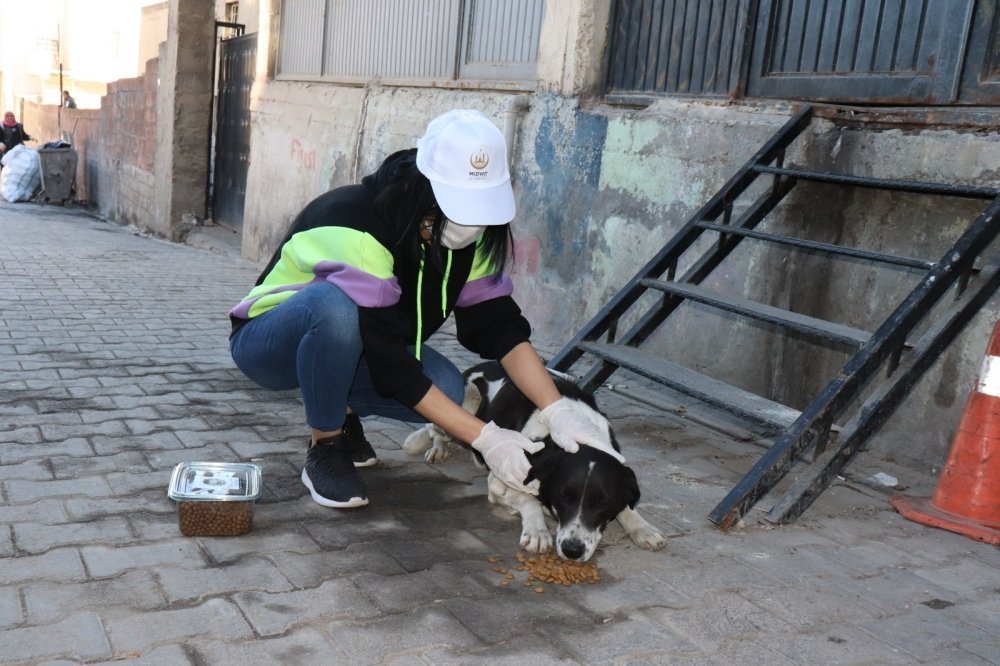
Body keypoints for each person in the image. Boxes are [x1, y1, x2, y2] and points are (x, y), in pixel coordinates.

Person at [229, 109, 623, 509]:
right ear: (425, 188)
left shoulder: (472, 239)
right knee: (335, 309)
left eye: (479, 208)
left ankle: (342, 412)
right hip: (268, 343)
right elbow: (387, 359)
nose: (470, 224)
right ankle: (325, 446)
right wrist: (485, 438)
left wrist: (555, 408)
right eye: (459, 205)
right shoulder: (357, 226)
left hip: (359, 344)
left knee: (450, 390)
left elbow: (499, 326)